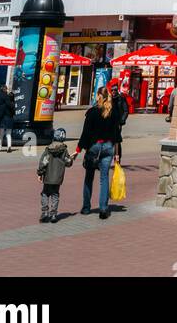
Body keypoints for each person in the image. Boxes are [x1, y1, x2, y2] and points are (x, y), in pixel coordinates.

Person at [76, 86, 122, 219]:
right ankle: (103, 208)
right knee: (104, 178)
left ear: (98, 96)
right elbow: (117, 134)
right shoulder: (113, 112)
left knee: (89, 177)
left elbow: (85, 133)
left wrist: (78, 149)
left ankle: (86, 207)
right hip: (108, 147)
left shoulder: (92, 112)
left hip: (94, 147)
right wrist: (117, 154)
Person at [37, 136, 74, 223]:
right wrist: (72, 158)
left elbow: (43, 162)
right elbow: (68, 162)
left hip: (48, 177)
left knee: (45, 193)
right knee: (55, 194)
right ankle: (53, 214)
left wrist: (40, 173)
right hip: (58, 178)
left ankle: (45, 212)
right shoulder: (64, 150)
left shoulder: (48, 149)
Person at [0, 86, 15, 150]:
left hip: (3, 118)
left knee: (1, 134)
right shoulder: (13, 104)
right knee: (8, 134)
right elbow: (14, 113)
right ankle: (9, 146)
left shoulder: (4, 104)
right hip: (10, 119)